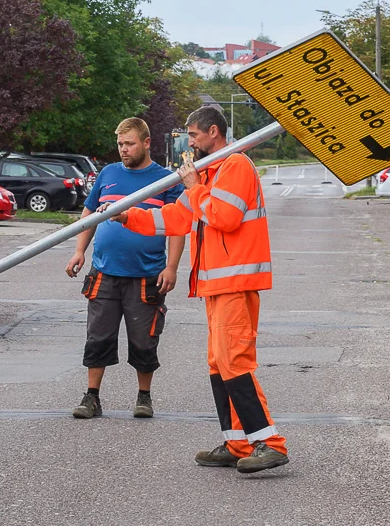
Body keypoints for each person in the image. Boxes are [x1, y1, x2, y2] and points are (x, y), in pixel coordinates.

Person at [107, 106, 289, 474]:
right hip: (216, 285)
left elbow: (225, 216)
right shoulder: (210, 173)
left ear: (213, 133)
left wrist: (194, 186)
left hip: (235, 283)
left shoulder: (235, 166)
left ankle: (269, 444)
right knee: (219, 364)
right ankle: (238, 443)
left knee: (235, 362)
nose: (188, 143)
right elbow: (174, 219)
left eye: (192, 135)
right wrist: (129, 215)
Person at [66, 117, 185, 420]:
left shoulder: (165, 180)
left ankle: (144, 398)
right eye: (120, 144)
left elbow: (176, 226)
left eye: (129, 143)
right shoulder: (108, 174)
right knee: (98, 336)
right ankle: (92, 397)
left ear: (146, 143)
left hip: (146, 274)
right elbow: (89, 212)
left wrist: (171, 267)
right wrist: (79, 251)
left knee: (144, 340)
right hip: (105, 272)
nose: (123, 149)